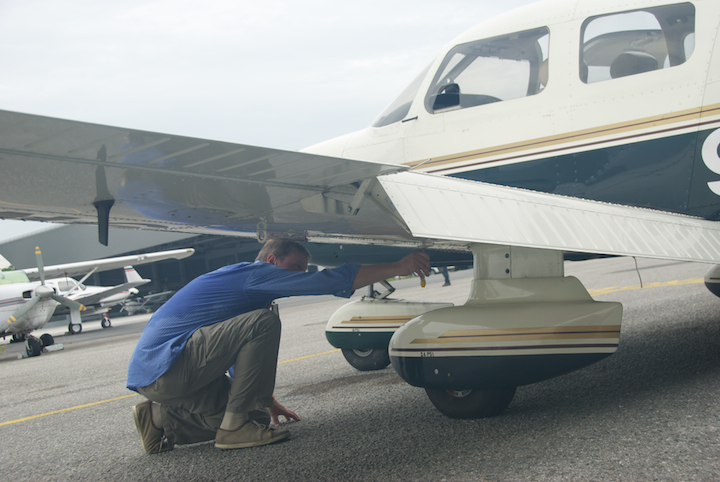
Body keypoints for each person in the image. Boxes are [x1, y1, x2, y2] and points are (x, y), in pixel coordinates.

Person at [126, 239, 430, 453]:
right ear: (272, 262)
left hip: (174, 374)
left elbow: (229, 353)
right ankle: (232, 430)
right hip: (165, 366)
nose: (299, 275)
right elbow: (327, 281)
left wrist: (268, 401)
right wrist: (399, 265)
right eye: (295, 266)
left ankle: (157, 418)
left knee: (256, 416)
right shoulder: (252, 275)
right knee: (263, 322)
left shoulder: (252, 293)